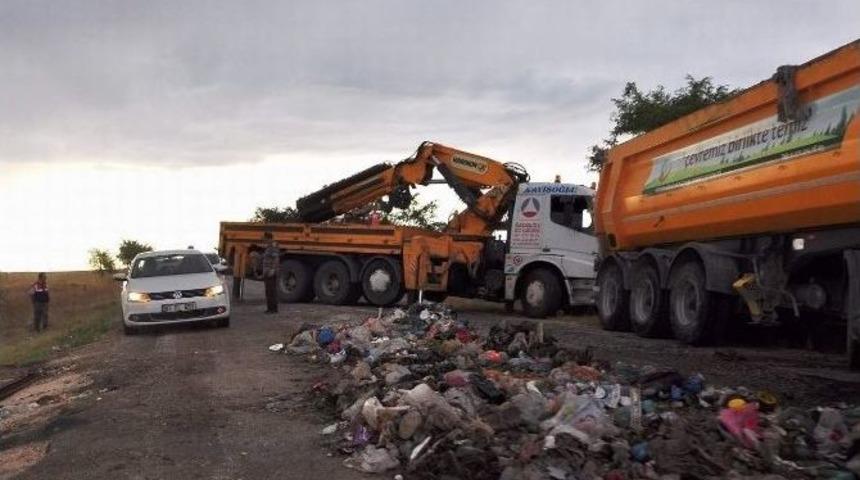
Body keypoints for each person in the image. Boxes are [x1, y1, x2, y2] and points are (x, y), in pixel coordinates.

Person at [261, 232, 280, 314]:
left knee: (271, 291)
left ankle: (273, 309)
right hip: (267, 271)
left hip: (270, 272)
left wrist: (273, 269)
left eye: (265, 238)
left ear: (268, 238)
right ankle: (270, 308)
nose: (264, 240)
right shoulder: (269, 247)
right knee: (269, 291)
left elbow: (276, 259)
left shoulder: (273, 246)